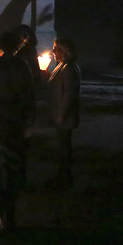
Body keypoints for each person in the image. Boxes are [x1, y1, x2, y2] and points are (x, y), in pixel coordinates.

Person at [0, 30, 36, 186]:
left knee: (0, 143)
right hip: (16, 109)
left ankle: (1, 178)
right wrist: (30, 114)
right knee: (17, 146)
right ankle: (18, 179)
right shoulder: (21, 65)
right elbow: (29, 91)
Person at [48, 38, 81, 188]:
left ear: (64, 50)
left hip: (64, 115)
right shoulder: (62, 65)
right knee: (62, 145)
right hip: (60, 113)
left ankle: (65, 178)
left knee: (64, 146)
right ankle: (62, 175)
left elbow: (69, 93)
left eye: (56, 48)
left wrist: (62, 114)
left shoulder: (68, 68)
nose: (53, 51)